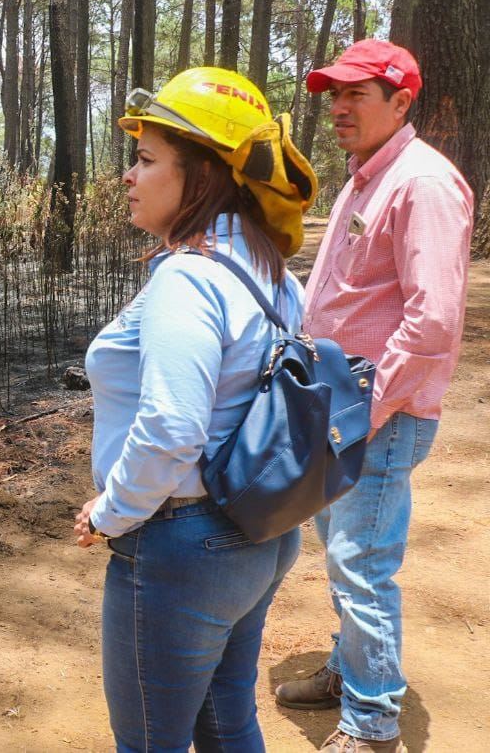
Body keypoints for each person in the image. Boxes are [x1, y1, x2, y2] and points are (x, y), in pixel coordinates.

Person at [75, 66, 317, 752]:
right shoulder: (272, 269)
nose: (129, 174)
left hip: (182, 545)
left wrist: (110, 510)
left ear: (203, 175)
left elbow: (174, 427)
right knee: (227, 720)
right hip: (261, 534)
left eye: (148, 160)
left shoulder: (187, 277)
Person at [274, 39, 473, 753]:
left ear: (401, 100)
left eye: (356, 93)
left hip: (376, 417)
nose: (338, 107)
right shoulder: (367, 179)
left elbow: (434, 318)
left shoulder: (423, 183)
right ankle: (349, 666)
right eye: (334, 94)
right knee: (342, 553)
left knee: (363, 563)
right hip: (344, 409)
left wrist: (369, 407)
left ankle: (372, 721)